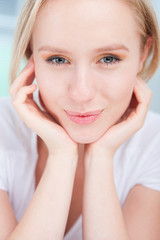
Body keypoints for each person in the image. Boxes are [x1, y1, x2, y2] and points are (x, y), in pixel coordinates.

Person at [0, 0, 160, 239]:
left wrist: (100, 156)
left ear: (143, 54)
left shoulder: (154, 144)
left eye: (108, 58)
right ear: (30, 54)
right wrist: (62, 155)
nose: (81, 93)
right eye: (57, 59)